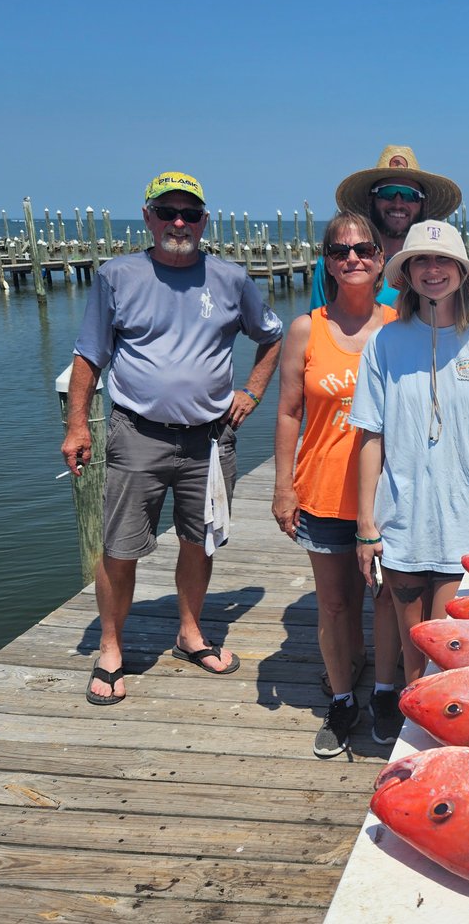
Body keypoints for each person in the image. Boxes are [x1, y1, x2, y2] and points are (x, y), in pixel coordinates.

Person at [61, 171, 284, 705]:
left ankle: (190, 632)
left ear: (205, 221)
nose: (178, 222)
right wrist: (76, 426)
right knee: (119, 547)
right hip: (137, 434)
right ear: (147, 217)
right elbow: (88, 355)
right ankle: (111, 649)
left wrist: (250, 394)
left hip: (211, 439)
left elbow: (272, 336)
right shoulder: (116, 275)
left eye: (189, 213)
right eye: (168, 212)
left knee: (199, 538)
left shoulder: (231, 279)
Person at [350, 221, 469, 687]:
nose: (433, 270)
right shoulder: (385, 343)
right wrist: (366, 527)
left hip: (466, 528)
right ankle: (409, 738)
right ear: (408, 272)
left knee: (450, 653)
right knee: (415, 655)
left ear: (462, 271)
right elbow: (370, 437)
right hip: (401, 525)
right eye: (421, 262)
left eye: (443, 261)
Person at [271, 211, 400, 758]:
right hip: (323, 488)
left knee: (388, 599)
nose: (353, 259)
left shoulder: (401, 325)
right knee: (335, 606)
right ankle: (343, 696)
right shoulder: (306, 329)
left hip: (389, 492)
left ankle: (388, 693)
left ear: (380, 261)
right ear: (326, 259)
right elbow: (288, 414)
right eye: (341, 250)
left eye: (364, 250)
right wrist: (283, 487)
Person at [307, 145, 462, 310]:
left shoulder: (439, 270)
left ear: (424, 204)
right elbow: (318, 329)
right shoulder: (336, 264)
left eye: (410, 195)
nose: (398, 203)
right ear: (370, 200)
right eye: (387, 193)